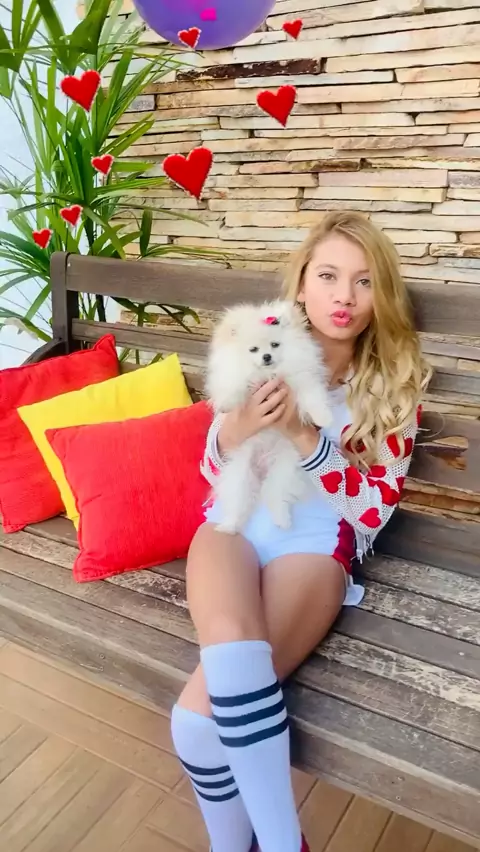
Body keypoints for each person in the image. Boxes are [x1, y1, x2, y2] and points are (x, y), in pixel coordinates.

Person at [171, 212, 431, 852]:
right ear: (303, 284)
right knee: (198, 718)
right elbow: (213, 469)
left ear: (382, 294)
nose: (345, 297)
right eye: (329, 276)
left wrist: (305, 438)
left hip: (313, 546)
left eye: (365, 281)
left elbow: (371, 514)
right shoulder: (263, 349)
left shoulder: (394, 389)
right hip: (231, 527)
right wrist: (236, 431)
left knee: (199, 724)